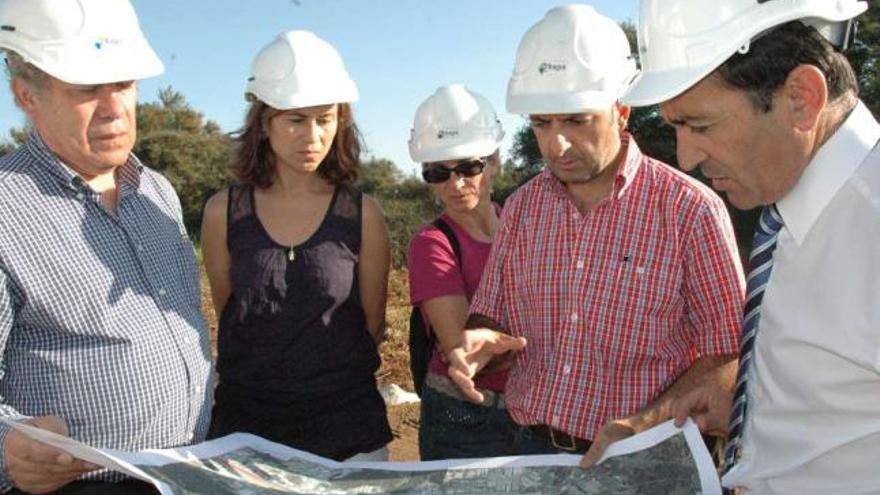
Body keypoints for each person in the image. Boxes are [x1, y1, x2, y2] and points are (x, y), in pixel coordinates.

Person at [445, 4, 745, 467]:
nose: (556, 145)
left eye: (576, 120)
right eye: (542, 124)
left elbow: (726, 356)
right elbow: (491, 319)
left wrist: (642, 424)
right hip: (532, 452)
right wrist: (482, 348)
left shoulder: (690, 210)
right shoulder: (523, 209)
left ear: (621, 111)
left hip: (647, 458)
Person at [626, 0, 879, 492]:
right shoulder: (791, 201)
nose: (686, 158)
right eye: (675, 126)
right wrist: (753, 413)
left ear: (801, 98)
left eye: (699, 125)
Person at [0, 0, 212, 493]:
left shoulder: (158, 191)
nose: (115, 109)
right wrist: (10, 444)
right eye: (87, 89)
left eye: (124, 84)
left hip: (187, 471)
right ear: (26, 95)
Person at [201, 30, 392, 462]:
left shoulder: (363, 215)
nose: (312, 135)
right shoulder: (222, 213)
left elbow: (372, 325)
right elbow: (232, 311)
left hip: (348, 432)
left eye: (325, 119)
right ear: (264, 124)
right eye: (295, 119)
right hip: (247, 434)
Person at [406, 84, 522, 460]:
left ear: (495, 161)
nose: (456, 185)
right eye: (438, 173)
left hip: (530, 409)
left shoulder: (521, 223)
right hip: (462, 416)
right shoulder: (432, 243)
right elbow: (462, 346)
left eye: (470, 167)